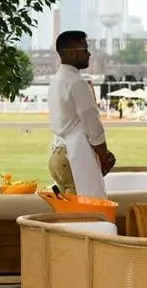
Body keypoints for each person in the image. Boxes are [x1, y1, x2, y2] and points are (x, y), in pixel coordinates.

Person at [48, 30, 115, 198]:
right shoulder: (77, 82)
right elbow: (93, 126)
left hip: (57, 153)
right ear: (71, 53)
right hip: (74, 154)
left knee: (71, 212)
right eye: (84, 50)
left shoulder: (56, 79)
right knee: (84, 213)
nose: (89, 54)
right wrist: (104, 157)